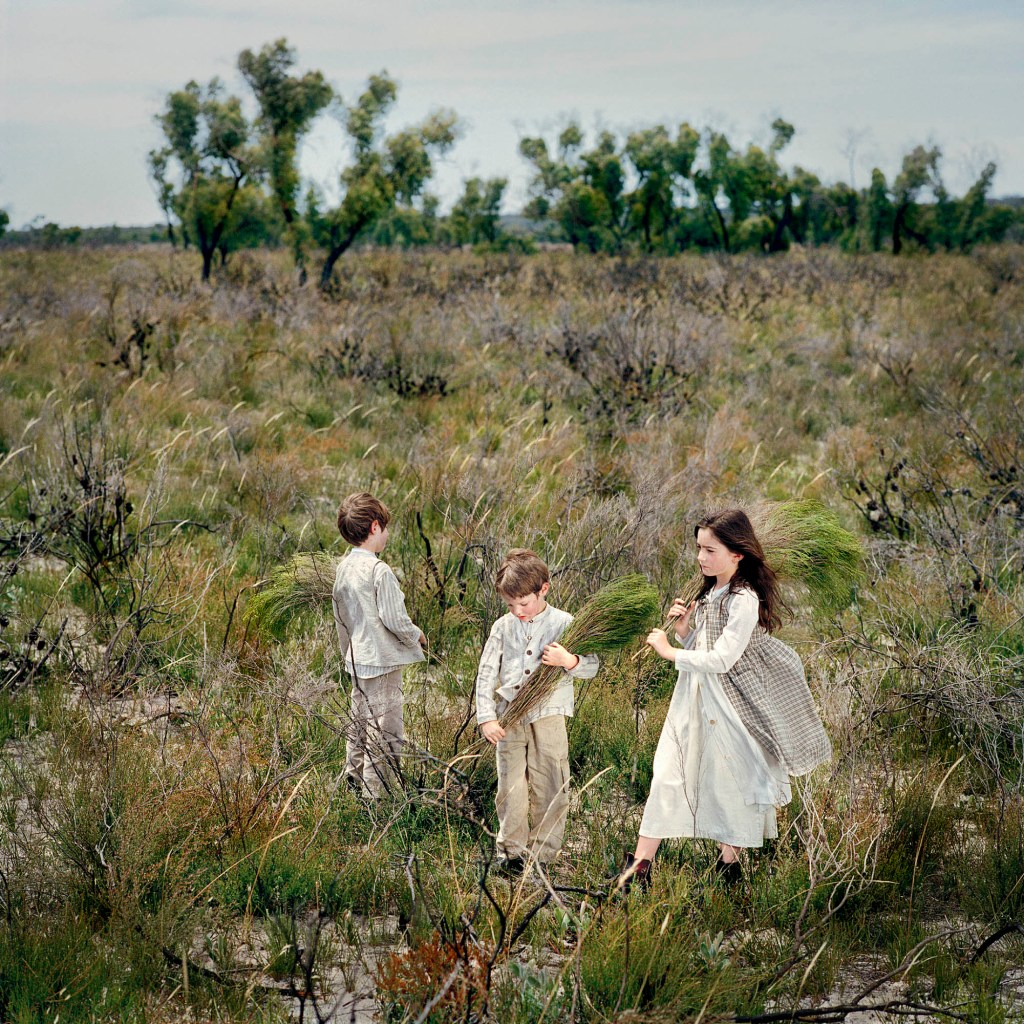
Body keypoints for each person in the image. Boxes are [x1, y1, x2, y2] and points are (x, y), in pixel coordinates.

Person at [617, 509, 831, 892]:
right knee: (668, 775)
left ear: (738, 554)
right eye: (698, 548)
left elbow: (722, 659)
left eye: (710, 550)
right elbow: (705, 647)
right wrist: (685, 632)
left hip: (731, 705)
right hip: (694, 701)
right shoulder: (711, 591)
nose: (701, 558)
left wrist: (669, 652)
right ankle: (637, 870)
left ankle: (728, 871)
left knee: (729, 780)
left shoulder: (743, 599)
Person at [476, 549, 599, 876]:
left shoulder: (565, 623)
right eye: (510, 605)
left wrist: (568, 661)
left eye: (524, 604)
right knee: (510, 787)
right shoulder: (503, 627)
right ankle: (511, 853)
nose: (517, 611)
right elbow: (486, 673)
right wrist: (487, 717)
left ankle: (543, 856)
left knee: (550, 782)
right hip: (509, 718)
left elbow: (591, 667)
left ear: (543, 589)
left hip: (549, 715)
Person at [332, 492, 426, 799]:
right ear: (374, 527)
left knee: (359, 721)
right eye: (384, 528)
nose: (386, 534)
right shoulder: (378, 570)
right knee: (384, 729)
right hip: (383, 662)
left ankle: (353, 777)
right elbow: (394, 619)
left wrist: (347, 651)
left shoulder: (344, 568)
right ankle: (377, 796)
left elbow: (341, 617)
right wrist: (417, 635)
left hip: (358, 659)